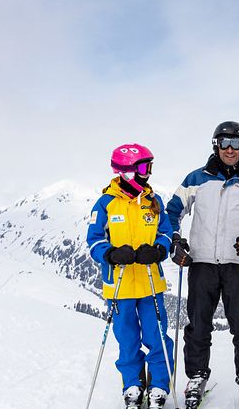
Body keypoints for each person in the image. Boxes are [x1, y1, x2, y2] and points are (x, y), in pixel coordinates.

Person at [166, 121, 239, 409]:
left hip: (236, 264)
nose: (230, 149)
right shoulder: (197, 178)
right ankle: (196, 376)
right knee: (198, 325)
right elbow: (172, 210)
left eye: (236, 144)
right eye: (224, 142)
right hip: (201, 263)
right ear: (216, 145)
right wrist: (175, 239)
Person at [87, 143, 174, 409]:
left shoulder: (153, 202)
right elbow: (93, 241)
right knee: (127, 340)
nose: (148, 173)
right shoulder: (106, 204)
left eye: (149, 167)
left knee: (157, 336)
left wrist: (159, 249)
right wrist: (111, 254)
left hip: (150, 283)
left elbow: (166, 234)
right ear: (127, 171)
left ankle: (159, 386)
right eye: (144, 167)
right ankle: (132, 385)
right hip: (120, 286)